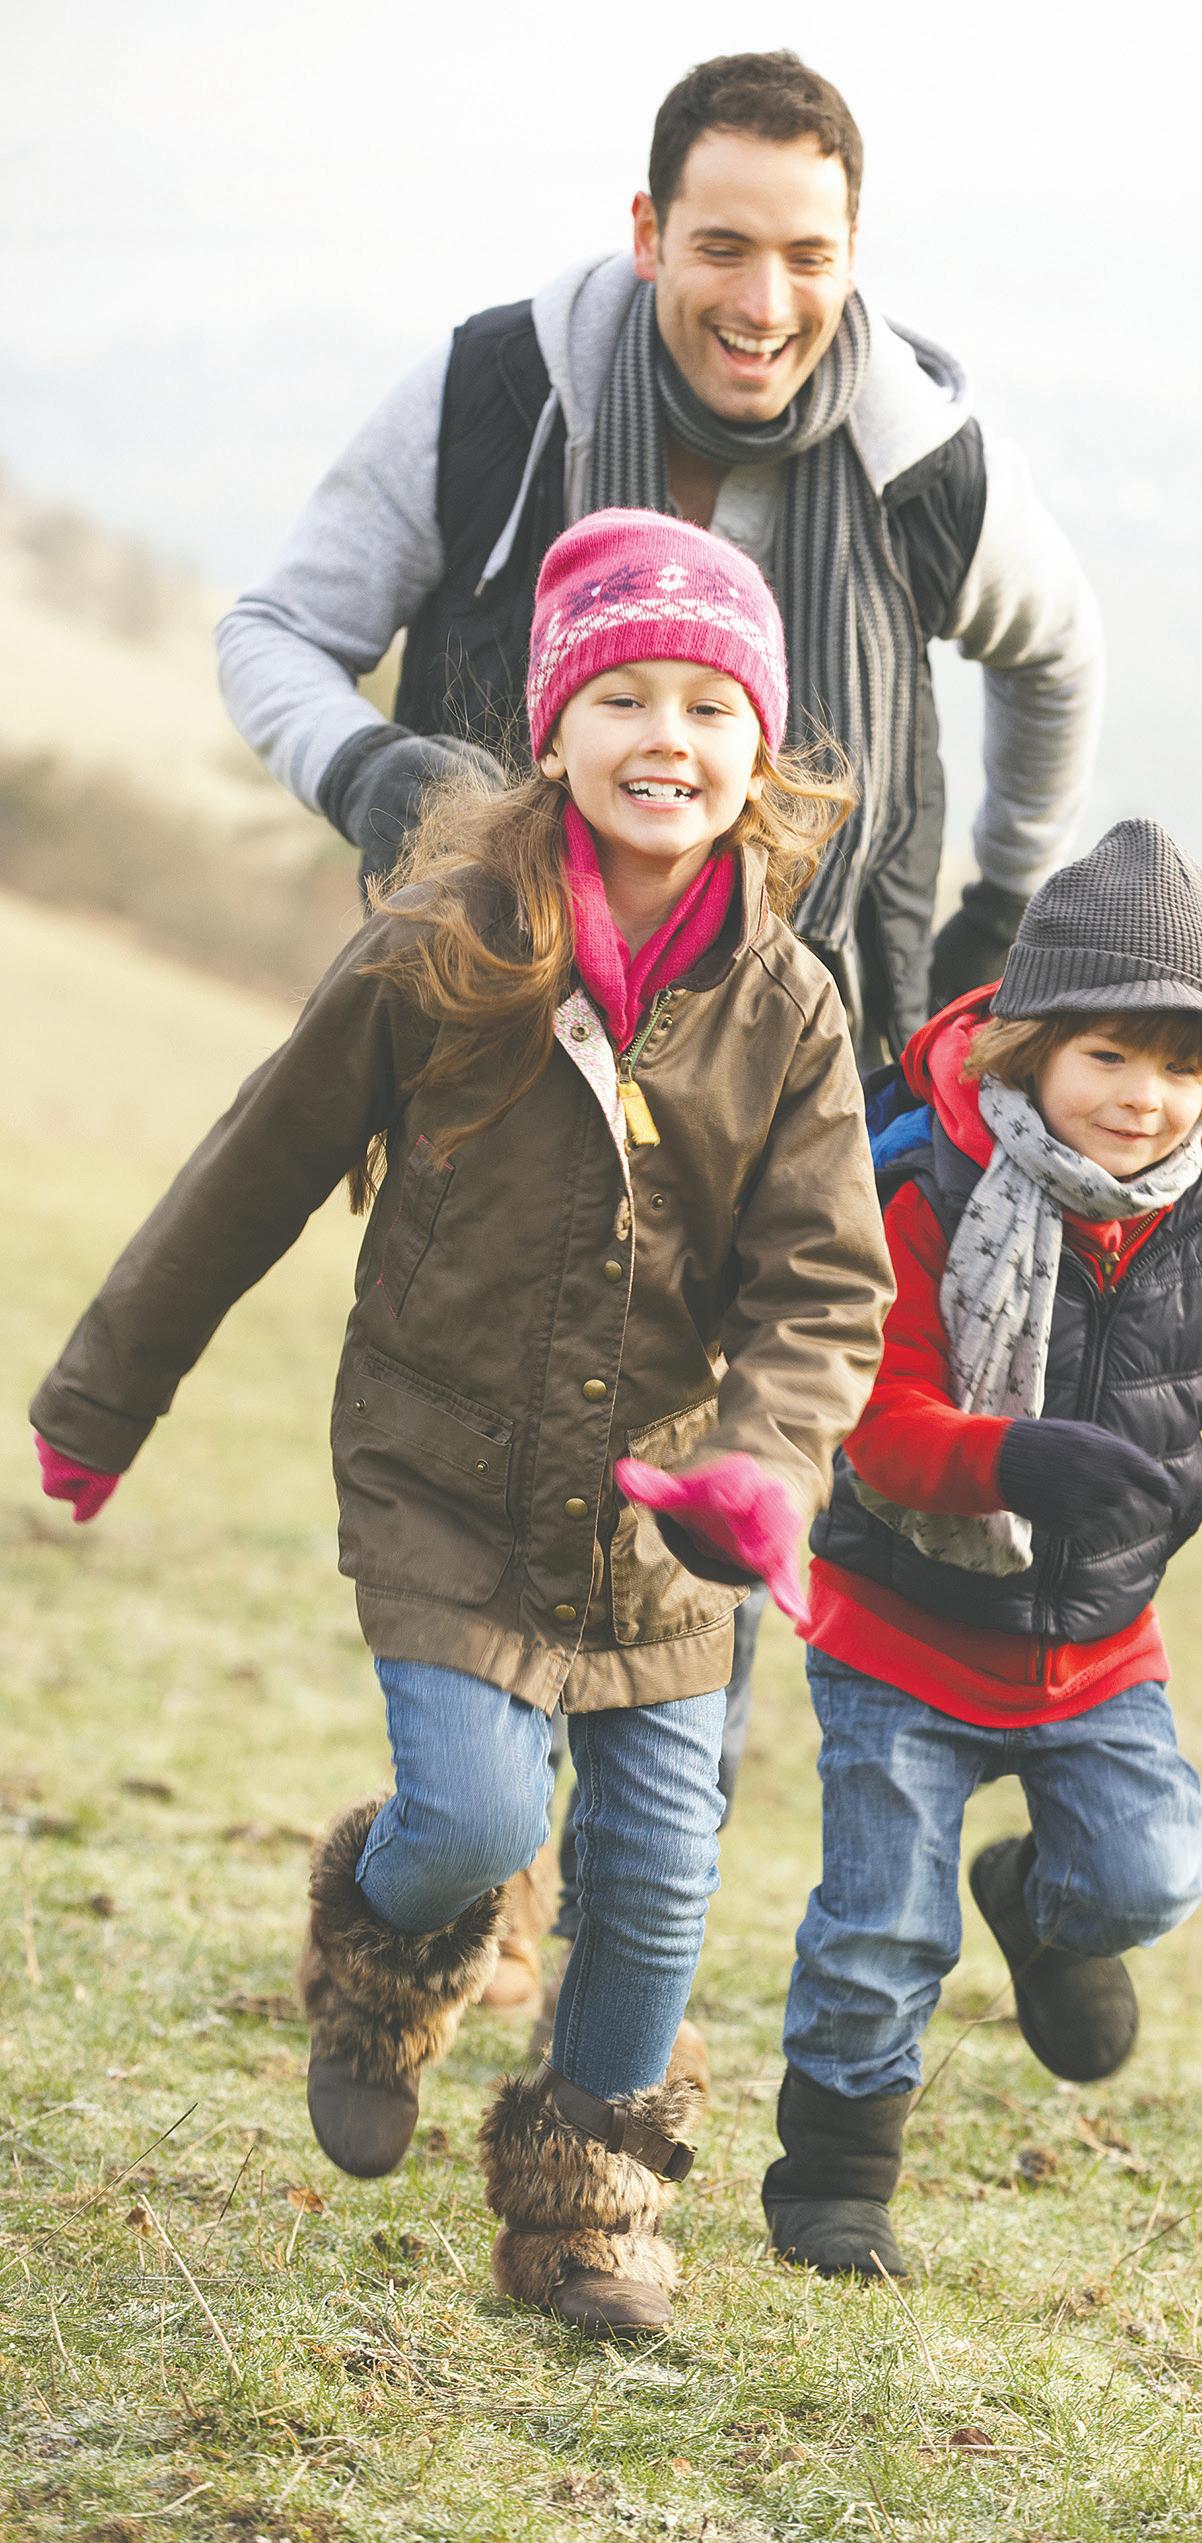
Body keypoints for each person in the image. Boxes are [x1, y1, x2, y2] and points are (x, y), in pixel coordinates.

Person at [214, 49, 1104, 1931]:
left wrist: (1000, 910)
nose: (764, 301)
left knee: (738, 1459)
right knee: (503, 1421)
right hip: (507, 1027)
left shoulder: (925, 455)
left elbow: (1058, 655)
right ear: (647, 234)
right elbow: (278, 628)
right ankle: (475, 1866)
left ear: (854, 254)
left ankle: (619, 1993)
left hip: (802, 1041)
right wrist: (373, 775)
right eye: (721, 247)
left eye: (808, 255)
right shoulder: (494, 397)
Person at [30, 509, 893, 2340]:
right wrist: (103, 1400)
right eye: (624, 697)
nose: (668, 738)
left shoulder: (793, 1008)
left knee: (656, 1878)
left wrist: (765, 1463)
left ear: (761, 753)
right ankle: (381, 1942)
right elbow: (251, 1171)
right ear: (554, 730)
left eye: (711, 707)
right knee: (477, 1815)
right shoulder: (445, 945)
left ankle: (588, 2214)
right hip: (444, 1480)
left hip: (665, 1523)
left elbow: (828, 1286)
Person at [758, 817, 1202, 2282]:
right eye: (1109, 1054)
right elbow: (874, 1421)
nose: (1142, 1096)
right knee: (881, 1932)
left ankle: (1041, 1911)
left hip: (1097, 1653)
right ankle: (833, 2184)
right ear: (1031, 1047)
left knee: (1148, 1880)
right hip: (902, 1631)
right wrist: (1011, 1459)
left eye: (1180, 1065)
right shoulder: (929, 1192)